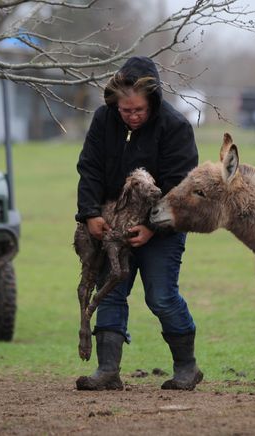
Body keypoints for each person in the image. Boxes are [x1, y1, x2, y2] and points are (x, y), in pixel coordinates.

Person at [75, 56, 202, 391]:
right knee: (112, 291)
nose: (131, 117)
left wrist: (152, 228)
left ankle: (187, 368)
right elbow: (89, 168)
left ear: (153, 101)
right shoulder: (104, 120)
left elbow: (181, 189)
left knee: (160, 297)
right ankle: (107, 371)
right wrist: (90, 214)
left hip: (164, 227)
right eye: (124, 110)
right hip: (112, 223)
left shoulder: (175, 127)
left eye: (138, 111)